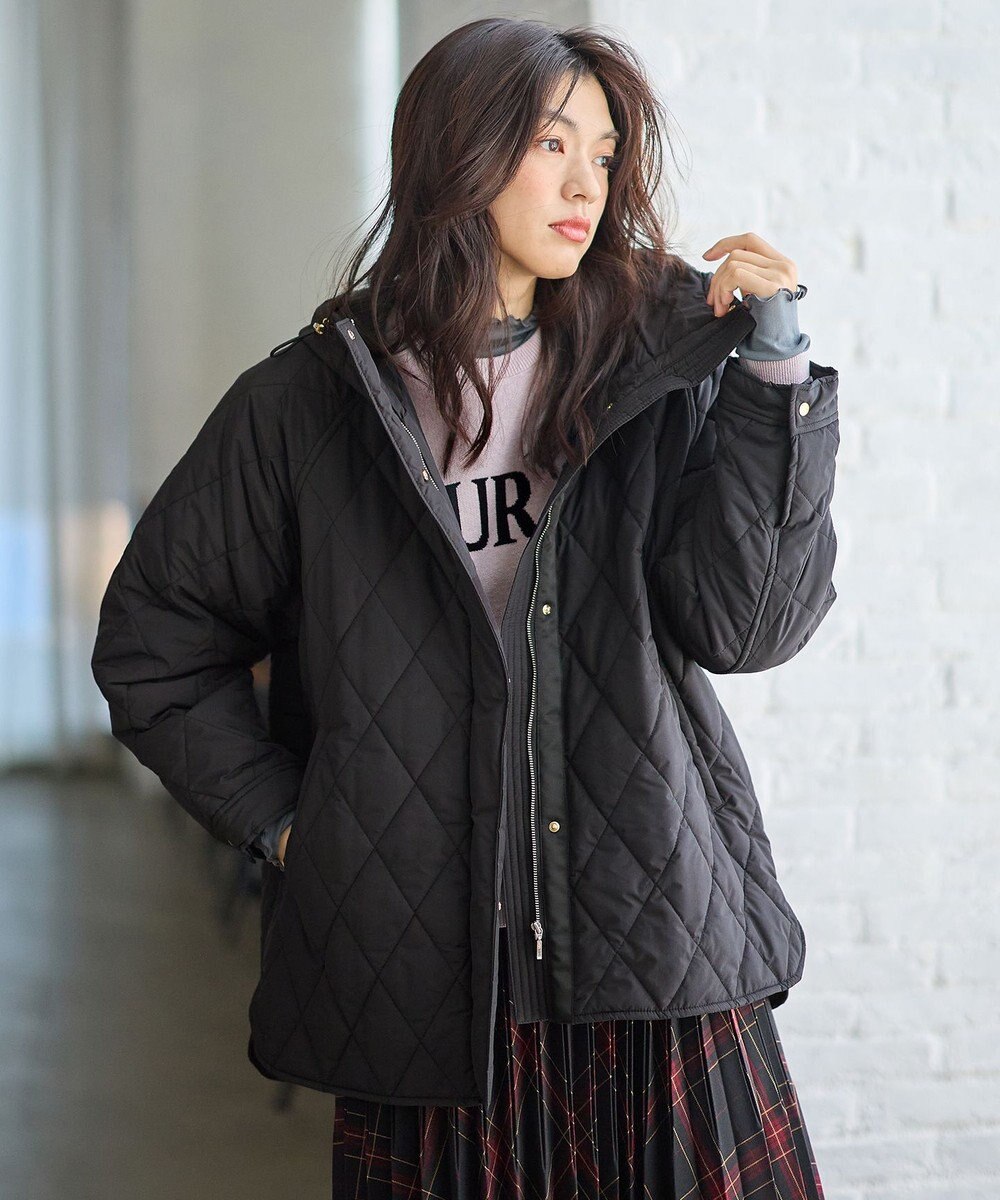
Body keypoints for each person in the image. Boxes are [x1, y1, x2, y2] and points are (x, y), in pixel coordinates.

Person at [91, 16, 838, 1198]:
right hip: (429, 979)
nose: (586, 184)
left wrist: (774, 375)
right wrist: (292, 828)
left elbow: (746, 630)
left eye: (604, 154)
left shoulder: (652, 366)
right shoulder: (310, 405)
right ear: (460, 147)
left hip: (655, 938)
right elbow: (153, 645)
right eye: (552, 144)